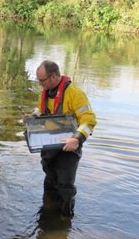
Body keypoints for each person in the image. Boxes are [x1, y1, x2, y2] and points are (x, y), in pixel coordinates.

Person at [29, 60, 97, 217]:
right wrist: (33, 116)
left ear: (52, 76)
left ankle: (65, 221)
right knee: (50, 184)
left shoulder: (75, 93)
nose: (40, 84)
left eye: (42, 80)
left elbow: (89, 120)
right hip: (49, 145)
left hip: (69, 147)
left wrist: (77, 139)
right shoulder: (46, 91)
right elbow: (42, 109)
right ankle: (47, 216)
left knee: (65, 187)